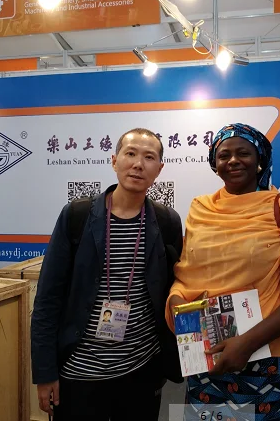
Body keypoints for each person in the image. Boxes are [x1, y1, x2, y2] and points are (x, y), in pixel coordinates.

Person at [166, 123, 280, 420]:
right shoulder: (200, 208)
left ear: (260, 159)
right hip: (209, 356)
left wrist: (247, 343)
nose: (233, 160)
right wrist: (176, 301)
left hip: (268, 361)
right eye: (224, 155)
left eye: (243, 153)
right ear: (215, 164)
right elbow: (187, 272)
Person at [31, 128, 183, 421]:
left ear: (159, 168)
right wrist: (45, 373)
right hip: (79, 373)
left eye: (149, 157)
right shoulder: (77, 216)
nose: (138, 164)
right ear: (114, 161)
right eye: (130, 153)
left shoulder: (167, 222)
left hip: (141, 370)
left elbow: (175, 288)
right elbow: (48, 300)